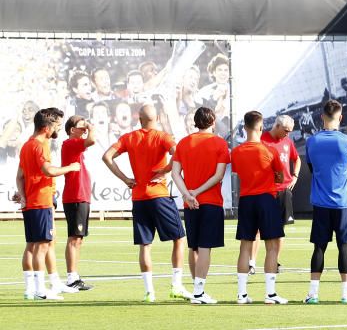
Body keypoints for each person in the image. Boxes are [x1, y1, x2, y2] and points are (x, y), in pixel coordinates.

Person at [102, 104, 191, 303]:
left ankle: (149, 292)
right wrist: (166, 170)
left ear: (139, 119)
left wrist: (125, 179)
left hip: (139, 198)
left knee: (145, 245)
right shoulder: (163, 136)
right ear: (158, 117)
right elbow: (180, 154)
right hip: (158, 195)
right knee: (179, 238)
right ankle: (176, 285)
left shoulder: (129, 138)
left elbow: (106, 157)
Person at [15, 108, 78, 301]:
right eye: (56, 125)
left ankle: (31, 289)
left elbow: (20, 176)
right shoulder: (39, 145)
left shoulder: (27, 145)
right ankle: (41, 290)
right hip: (41, 201)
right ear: (46, 127)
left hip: (32, 202)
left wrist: (23, 196)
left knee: (33, 245)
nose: (57, 129)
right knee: (42, 246)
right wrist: (70, 168)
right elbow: (48, 170)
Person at [304, 100, 347, 304]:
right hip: (343, 204)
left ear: (321, 116)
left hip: (321, 204)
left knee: (319, 248)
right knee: (344, 248)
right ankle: (346, 293)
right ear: (341, 116)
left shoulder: (312, 142)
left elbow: (311, 168)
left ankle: (313, 294)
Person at [170, 107, 230, 304]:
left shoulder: (184, 143)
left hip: (190, 204)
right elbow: (218, 175)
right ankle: (198, 292)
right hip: (210, 202)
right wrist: (195, 192)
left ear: (195, 122)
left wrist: (188, 194)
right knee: (205, 248)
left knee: (193, 247)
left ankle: (197, 290)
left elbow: (175, 173)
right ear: (213, 122)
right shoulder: (220, 143)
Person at [232, 111, 287, 304]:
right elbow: (280, 176)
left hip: (246, 200)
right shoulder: (270, 151)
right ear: (261, 126)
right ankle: (270, 294)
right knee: (272, 247)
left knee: (245, 247)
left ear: (245, 127)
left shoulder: (236, 152)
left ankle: (241, 294)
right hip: (266, 199)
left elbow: (239, 173)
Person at [249, 115, 301, 275]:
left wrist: (295, 176)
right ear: (277, 126)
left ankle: (274, 261)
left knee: (279, 229)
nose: (288, 134)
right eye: (286, 131)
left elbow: (296, 158)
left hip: (284, 191)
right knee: (257, 229)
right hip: (265, 190)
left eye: (290, 131)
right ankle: (252, 263)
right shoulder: (262, 140)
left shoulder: (288, 142)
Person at [60, 115, 96, 291]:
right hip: (75, 196)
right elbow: (92, 140)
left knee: (78, 238)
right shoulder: (69, 143)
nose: (85, 130)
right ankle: (71, 277)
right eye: (81, 127)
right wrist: (91, 127)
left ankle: (74, 276)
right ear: (72, 130)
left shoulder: (75, 147)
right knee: (74, 238)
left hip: (80, 197)